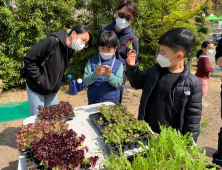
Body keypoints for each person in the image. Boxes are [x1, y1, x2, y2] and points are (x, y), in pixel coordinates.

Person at [126, 28, 202, 142]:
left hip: (170, 140)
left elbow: (193, 120)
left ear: (179, 56)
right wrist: (132, 67)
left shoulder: (192, 84)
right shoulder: (155, 71)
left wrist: (188, 146)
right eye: (159, 51)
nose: (159, 55)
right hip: (146, 132)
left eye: (163, 52)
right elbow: (137, 83)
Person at [24, 25, 93, 116]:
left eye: (86, 43)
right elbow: (29, 59)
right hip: (36, 87)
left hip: (52, 90)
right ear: (73, 34)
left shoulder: (70, 50)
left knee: (52, 118)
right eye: (83, 40)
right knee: (38, 120)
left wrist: (59, 83)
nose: (83, 44)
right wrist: (39, 79)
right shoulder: (52, 41)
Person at [99, 0, 139, 104]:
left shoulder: (132, 39)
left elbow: (132, 62)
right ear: (116, 13)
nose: (123, 19)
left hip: (119, 73)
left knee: (115, 100)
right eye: (121, 15)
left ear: (132, 20)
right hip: (102, 68)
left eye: (128, 17)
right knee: (98, 97)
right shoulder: (104, 29)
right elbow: (99, 48)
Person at [83, 30, 123, 104]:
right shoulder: (92, 61)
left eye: (108, 49)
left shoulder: (118, 64)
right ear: (98, 47)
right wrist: (95, 74)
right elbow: (86, 81)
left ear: (115, 49)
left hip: (112, 103)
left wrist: (109, 75)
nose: (105, 52)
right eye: (102, 48)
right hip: (94, 102)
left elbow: (118, 83)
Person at [195, 41, 214, 108]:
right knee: (203, 91)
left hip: (198, 76)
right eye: (209, 48)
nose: (211, 50)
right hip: (202, 77)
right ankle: (199, 103)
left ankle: (198, 102)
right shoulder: (205, 58)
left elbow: (203, 67)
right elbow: (206, 69)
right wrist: (212, 69)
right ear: (203, 48)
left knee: (198, 90)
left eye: (212, 48)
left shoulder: (201, 56)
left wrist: (209, 67)